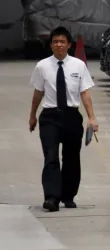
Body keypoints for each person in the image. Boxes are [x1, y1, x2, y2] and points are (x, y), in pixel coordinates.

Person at [29, 26, 99, 212]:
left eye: (62, 42)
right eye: (55, 42)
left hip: (71, 116)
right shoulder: (42, 66)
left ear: (69, 44)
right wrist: (32, 116)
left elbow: (85, 93)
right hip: (50, 116)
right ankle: (51, 197)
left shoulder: (78, 65)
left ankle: (68, 195)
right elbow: (38, 93)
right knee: (51, 157)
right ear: (50, 45)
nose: (58, 45)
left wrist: (92, 118)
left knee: (71, 158)